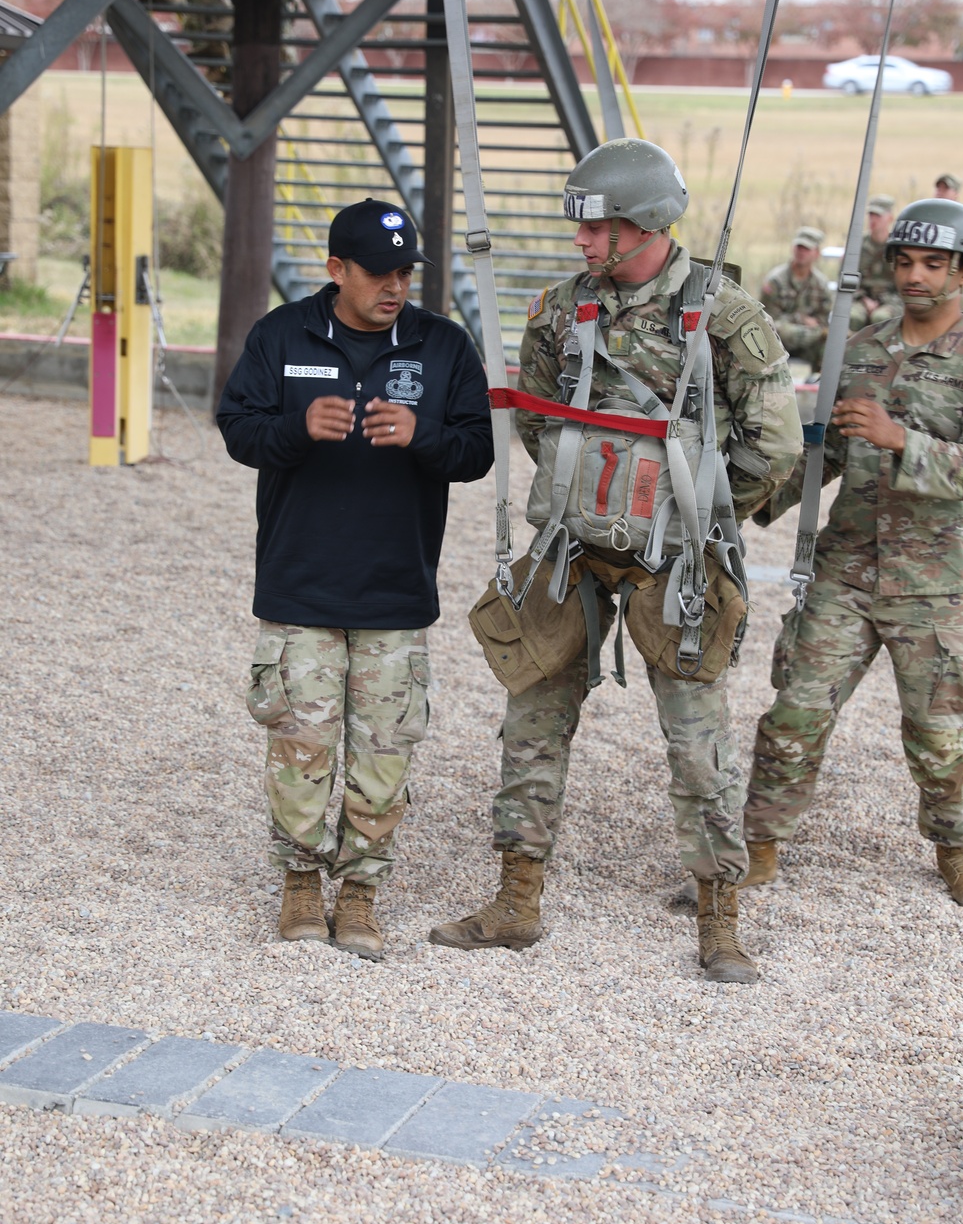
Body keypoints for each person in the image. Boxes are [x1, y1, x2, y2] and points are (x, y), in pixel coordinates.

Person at [430, 138, 803, 983]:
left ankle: (720, 919)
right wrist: (588, 493)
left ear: (645, 225)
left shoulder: (727, 317)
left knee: (697, 742)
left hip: (677, 566)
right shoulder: (561, 310)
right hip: (572, 552)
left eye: (598, 229)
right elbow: (535, 418)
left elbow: (775, 448)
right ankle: (516, 899)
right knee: (531, 721)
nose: (584, 244)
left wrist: (698, 513)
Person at [217, 199, 493, 959]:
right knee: (301, 748)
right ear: (336, 270)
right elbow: (237, 429)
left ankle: (361, 894)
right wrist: (295, 431)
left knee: (383, 754)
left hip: (394, 591)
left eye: (405, 272)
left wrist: (423, 436)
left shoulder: (442, 346)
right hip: (300, 585)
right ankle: (301, 884)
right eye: (378, 273)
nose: (395, 286)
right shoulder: (283, 335)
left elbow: (477, 451)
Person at [742, 199, 963, 913]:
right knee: (794, 712)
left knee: (938, 732)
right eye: (906, 262)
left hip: (935, 583)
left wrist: (899, 440)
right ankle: (759, 843)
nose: (915, 276)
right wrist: (747, 505)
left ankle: (957, 847)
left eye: (934, 264)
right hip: (846, 569)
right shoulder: (859, 348)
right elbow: (819, 448)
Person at [760, 226, 831, 371]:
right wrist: (801, 319)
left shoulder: (821, 284)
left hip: (810, 342)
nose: (801, 252)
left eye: (806, 249)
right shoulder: (775, 280)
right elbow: (767, 318)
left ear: (816, 253)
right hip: (779, 338)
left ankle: (820, 385)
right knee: (781, 331)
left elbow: (823, 321)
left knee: (829, 341)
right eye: (799, 247)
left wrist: (817, 329)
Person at [850, 195, 899, 331]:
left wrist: (882, 302)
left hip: (890, 301)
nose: (873, 220)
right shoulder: (857, 246)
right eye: (871, 215)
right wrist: (864, 300)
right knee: (853, 317)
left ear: (890, 218)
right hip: (861, 299)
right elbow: (847, 278)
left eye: (878, 216)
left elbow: (902, 284)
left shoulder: (897, 248)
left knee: (881, 318)